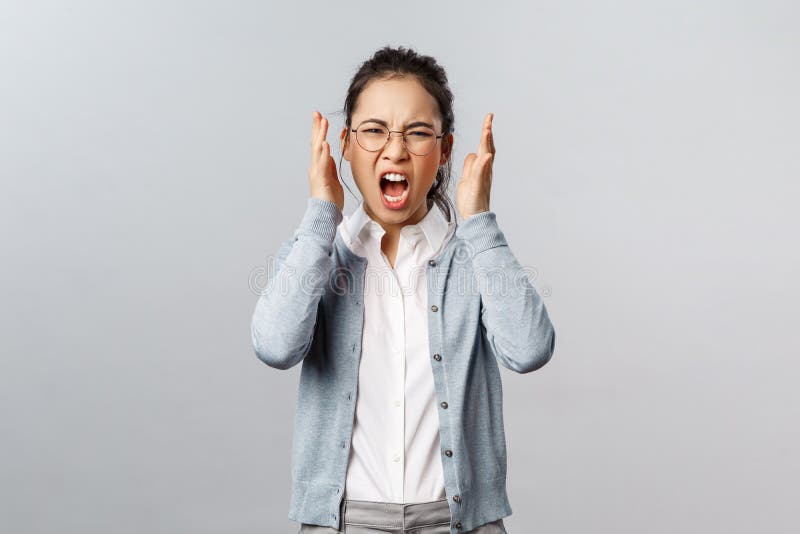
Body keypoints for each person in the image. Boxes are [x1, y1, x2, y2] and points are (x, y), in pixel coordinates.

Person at [251, 45, 556, 534]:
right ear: (345, 145)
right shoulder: (322, 254)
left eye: (417, 133)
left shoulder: (471, 255)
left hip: (460, 524)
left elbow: (530, 349)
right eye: (374, 131)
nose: (395, 150)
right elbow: (274, 345)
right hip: (343, 523)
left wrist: (479, 222)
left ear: (445, 150)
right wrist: (319, 218)